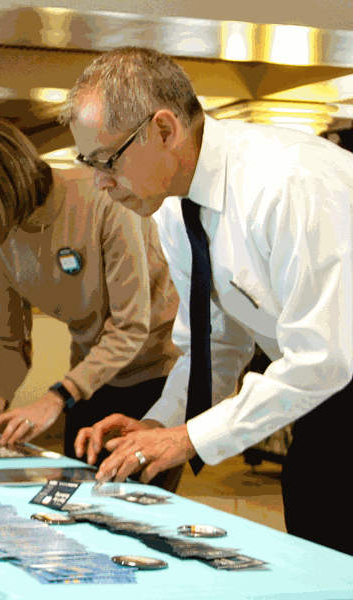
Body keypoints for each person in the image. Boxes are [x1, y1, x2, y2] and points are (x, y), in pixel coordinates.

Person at [63, 46, 353, 555]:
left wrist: (187, 440)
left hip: (332, 372)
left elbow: (325, 356)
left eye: (106, 161)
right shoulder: (174, 210)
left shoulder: (287, 183)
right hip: (326, 398)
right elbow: (215, 342)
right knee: (315, 532)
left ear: (164, 129)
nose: (101, 183)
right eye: (89, 164)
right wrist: (161, 423)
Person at [0, 115, 182, 480]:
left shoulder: (104, 200)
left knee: (132, 508)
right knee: (72, 502)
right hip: (89, 379)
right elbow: (8, 340)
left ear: (11, 182)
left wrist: (56, 397)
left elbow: (130, 326)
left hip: (157, 379)